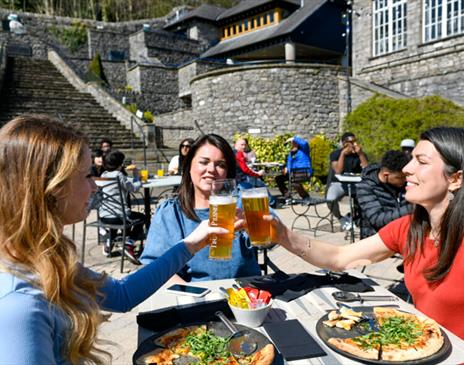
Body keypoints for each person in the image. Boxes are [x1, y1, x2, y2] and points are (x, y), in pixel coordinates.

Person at [0, 114, 228, 364]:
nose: (95, 187)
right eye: (88, 175)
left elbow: (122, 295)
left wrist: (191, 244)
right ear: (53, 187)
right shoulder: (18, 304)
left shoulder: (43, 258)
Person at [267, 126, 464, 339]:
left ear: (455, 179)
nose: (407, 168)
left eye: (421, 161)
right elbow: (340, 258)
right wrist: (282, 235)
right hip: (419, 349)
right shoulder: (409, 228)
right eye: (411, 159)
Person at [140, 134, 262, 283]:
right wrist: (194, 295)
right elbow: (154, 266)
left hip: (249, 298)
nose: (211, 169)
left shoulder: (243, 204)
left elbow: (271, 239)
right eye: (203, 162)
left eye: (221, 164)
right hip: (196, 299)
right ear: (189, 166)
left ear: (228, 172)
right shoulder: (170, 213)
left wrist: (255, 229)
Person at [99, 149, 145, 263]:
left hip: (104, 216)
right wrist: (136, 175)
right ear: (120, 164)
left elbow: (122, 183)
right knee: (143, 217)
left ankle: (110, 242)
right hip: (119, 217)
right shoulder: (119, 174)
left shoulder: (104, 175)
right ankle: (128, 244)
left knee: (122, 216)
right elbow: (134, 188)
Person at [357, 150, 412, 238]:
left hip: (402, 235)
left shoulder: (403, 184)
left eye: (406, 176)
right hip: (376, 238)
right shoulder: (365, 187)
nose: (405, 180)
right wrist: (411, 208)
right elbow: (377, 219)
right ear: (386, 175)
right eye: (400, 177)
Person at [326, 132, 368, 225]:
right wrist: (343, 154)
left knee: (366, 196)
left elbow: (366, 168)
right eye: (350, 142)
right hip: (339, 183)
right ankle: (340, 218)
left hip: (356, 183)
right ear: (344, 143)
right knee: (330, 199)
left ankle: (359, 218)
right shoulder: (335, 154)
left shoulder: (360, 154)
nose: (353, 144)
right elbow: (338, 170)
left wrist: (360, 154)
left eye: (354, 141)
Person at [275, 136, 313, 201]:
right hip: (293, 173)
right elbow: (289, 164)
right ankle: (287, 196)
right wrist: (287, 168)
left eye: (295, 142)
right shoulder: (291, 153)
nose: (293, 143)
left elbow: (305, 143)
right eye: (292, 142)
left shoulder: (304, 150)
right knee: (279, 179)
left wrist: (293, 138)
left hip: (303, 172)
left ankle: (306, 197)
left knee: (294, 181)